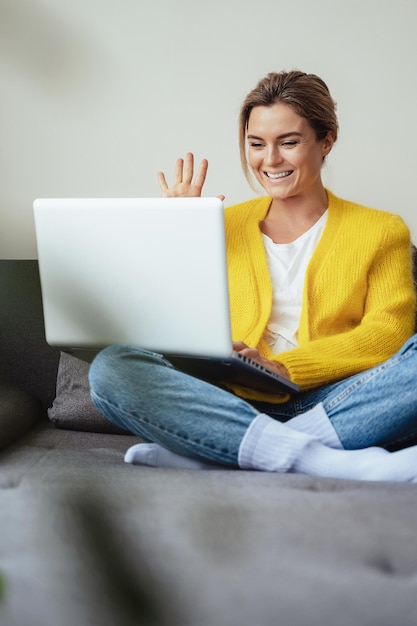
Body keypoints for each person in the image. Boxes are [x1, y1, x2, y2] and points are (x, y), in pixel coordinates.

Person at [88, 70, 417, 482]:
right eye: (256, 144)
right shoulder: (218, 225)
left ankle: (226, 449)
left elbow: (389, 333)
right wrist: (176, 236)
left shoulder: (382, 230)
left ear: (327, 140)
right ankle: (319, 457)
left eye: (290, 142)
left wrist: (284, 369)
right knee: (110, 367)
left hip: (338, 399)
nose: (270, 160)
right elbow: (167, 329)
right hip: (228, 400)